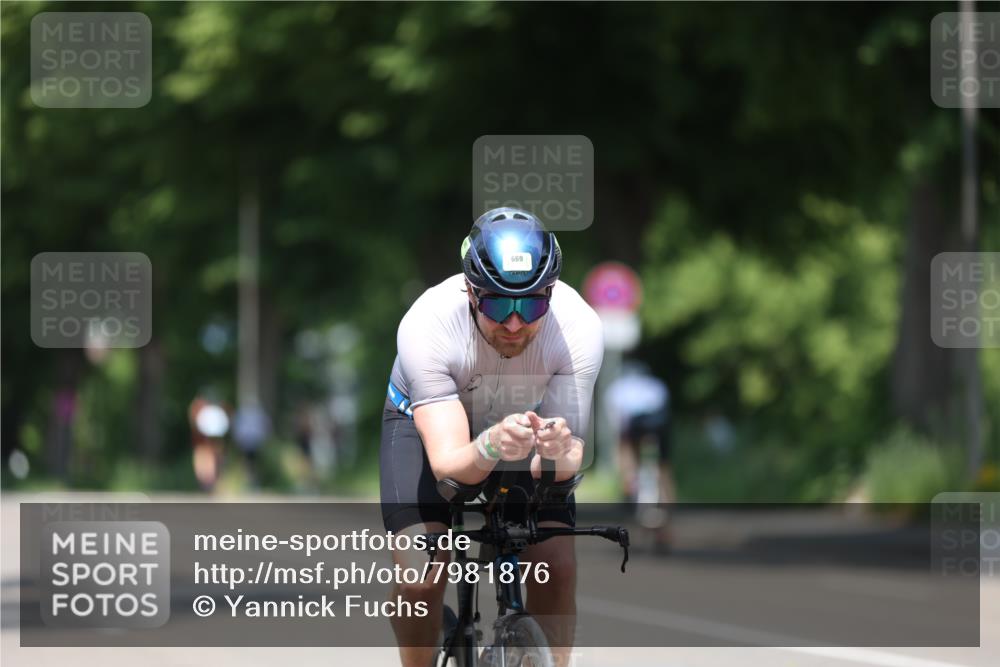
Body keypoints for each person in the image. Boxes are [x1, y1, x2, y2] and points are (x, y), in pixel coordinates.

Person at [381, 207, 603, 667]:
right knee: (422, 575)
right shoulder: (427, 324)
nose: (516, 323)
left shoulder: (578, 327)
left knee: (556, 568)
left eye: (533, 304)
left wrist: (560, 450)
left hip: (524, 423)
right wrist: (490, 445)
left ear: (552, 293)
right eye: (499, 305)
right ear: (470, 291)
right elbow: (447, 466)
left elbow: (564, 470)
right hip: (425, 426)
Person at [605, 362, 676, 550]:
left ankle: (629, 481)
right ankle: (666, 500)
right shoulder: (657, 385)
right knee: (663, 468)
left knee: (624, 448)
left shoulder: (618, 388)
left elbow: (615, 422)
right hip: (659, 429)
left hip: (635, 429)